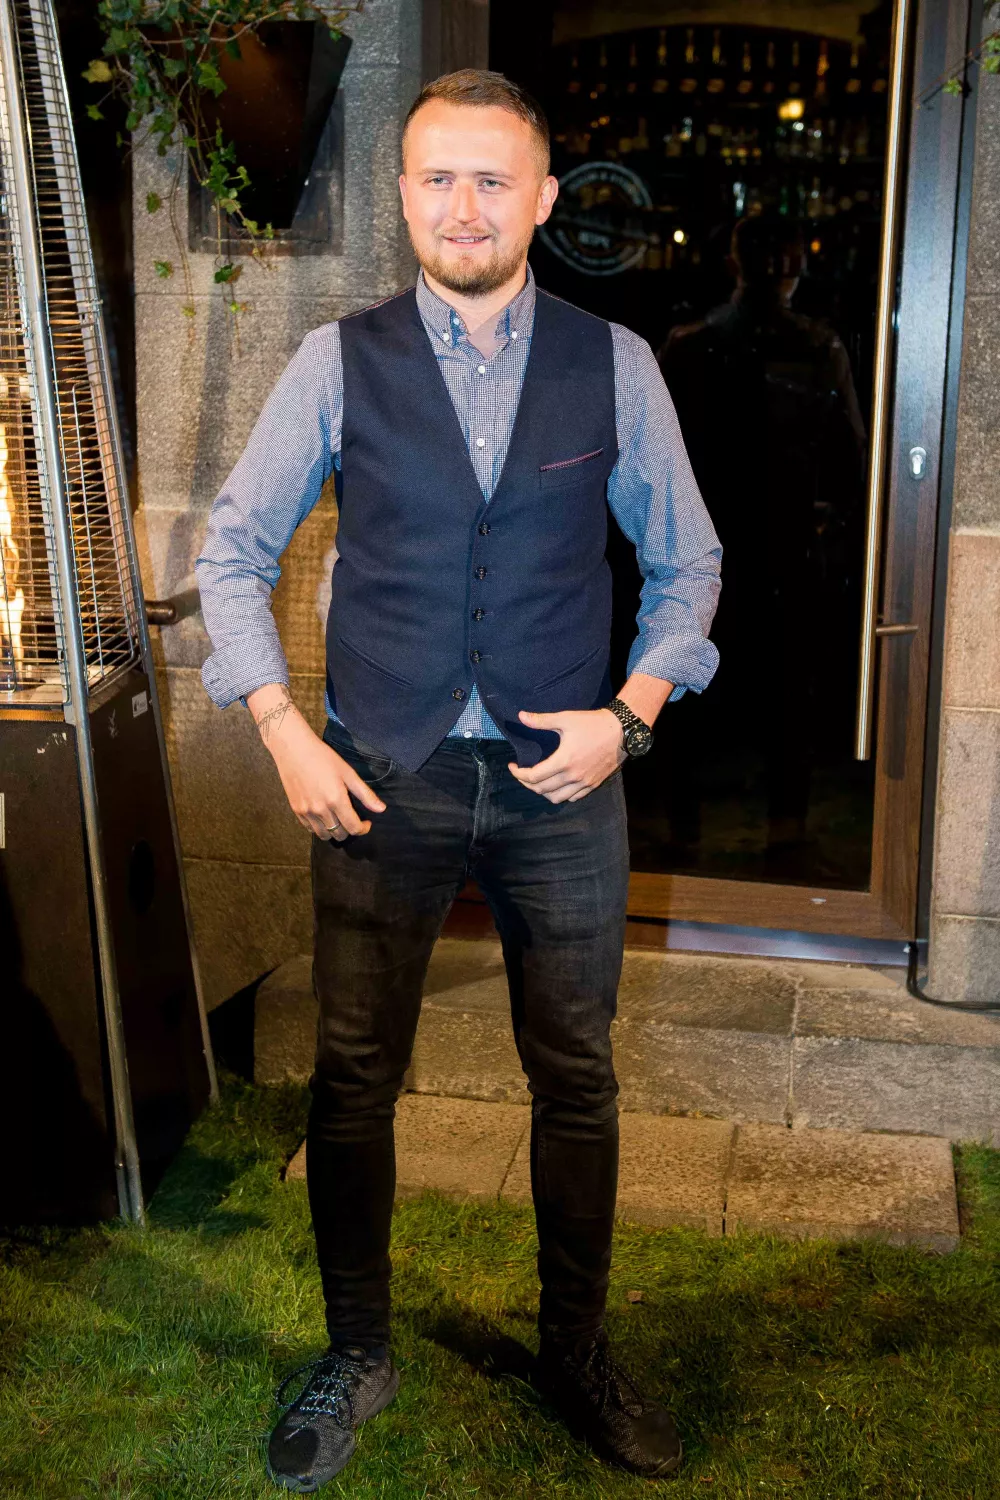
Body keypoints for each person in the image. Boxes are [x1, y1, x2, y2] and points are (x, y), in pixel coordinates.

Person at [197, 68, 721, 1491]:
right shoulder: (336, 361)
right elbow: (231, 553)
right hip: (382, 774)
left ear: (544, 199)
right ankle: (357, 1350)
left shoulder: (615, 364)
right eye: (439, 177)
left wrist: (630, 717)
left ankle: (576, 1351)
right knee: (355, 1072)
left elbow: (687, 564)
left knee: (578, 1076)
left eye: (494, 179)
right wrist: (282, 728)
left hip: (565, 783)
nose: (465, 206)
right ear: (404, 195)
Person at [658, 215, 865, 876]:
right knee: (787, 694)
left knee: (689, 689)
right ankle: (783, 833)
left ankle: (686, 831)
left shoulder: (691, 346)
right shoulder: (816, 346)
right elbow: (851, 458)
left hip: (709, 543)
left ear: (735, 263)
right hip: (784, 544)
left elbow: (655, 459)